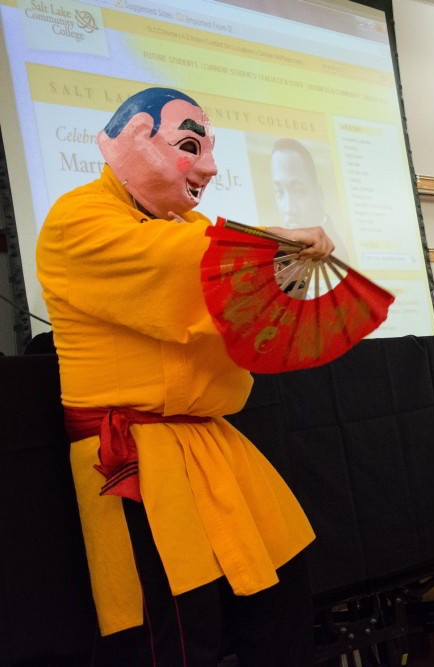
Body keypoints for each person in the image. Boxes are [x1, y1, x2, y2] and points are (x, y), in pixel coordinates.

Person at [36, 88, 334, 666]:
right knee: (176, 630)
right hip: (133, 455)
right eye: (189, 145)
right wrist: (273, 248)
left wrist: (288, 271)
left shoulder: (191, 226)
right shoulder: (79, 218)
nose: (210, 167)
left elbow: (246, 314)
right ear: (134, 138)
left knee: (280, 597)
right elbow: (170, 259)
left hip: (208, 442)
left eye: (211, 148)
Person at [271, 138, 347, 261]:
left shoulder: (337, 254)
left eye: (298, 192)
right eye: (280, 192)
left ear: (319, 195)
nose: (289, 209)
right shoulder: (275, 251)